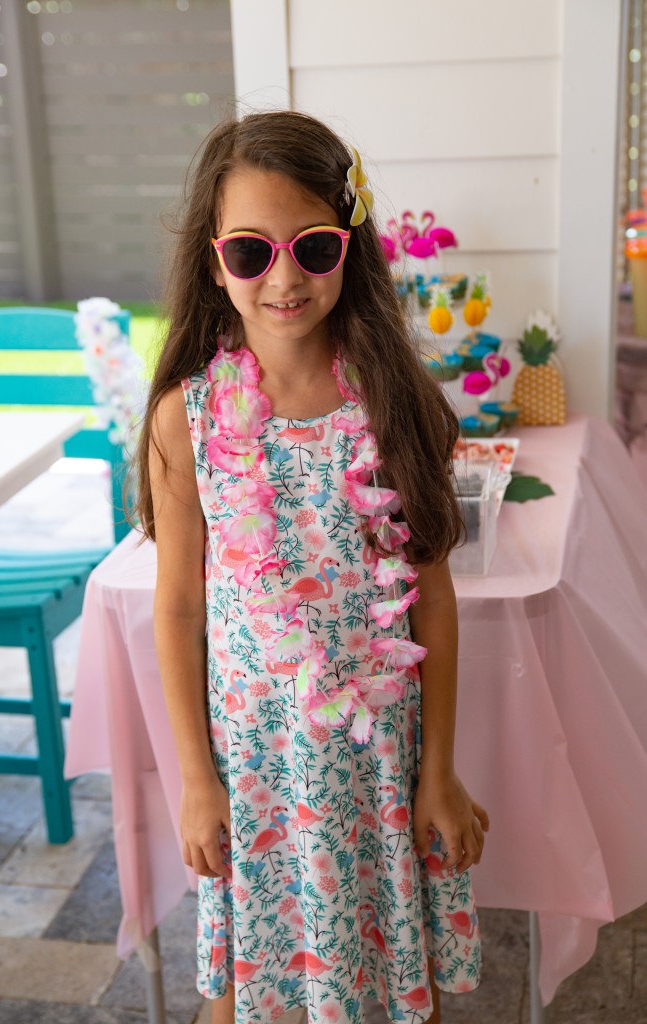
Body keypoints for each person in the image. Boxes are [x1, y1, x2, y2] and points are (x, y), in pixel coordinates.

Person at [135, 109, 489, 1024]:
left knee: (393, 966)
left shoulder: (395, 403)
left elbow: (433, 599)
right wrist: (195, 779)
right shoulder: (189, 419)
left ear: (350, 247)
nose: (283, 276)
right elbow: (177, 609)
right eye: (251, 252)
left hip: (381, 762)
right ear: (216, 263)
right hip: (255, 766)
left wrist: (438, 772)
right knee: (249, 984)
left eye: (313, 247)